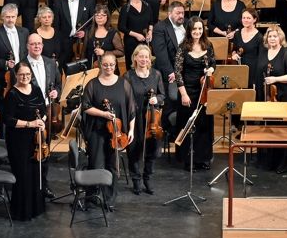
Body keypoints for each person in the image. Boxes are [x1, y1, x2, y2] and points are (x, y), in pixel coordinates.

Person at [83, 52, 136, 203]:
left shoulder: (123, 83)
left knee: (113, 165)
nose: (108, 67)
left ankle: (109, 198)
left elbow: (131, 108)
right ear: (100, 65)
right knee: (96, 164)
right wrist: (103, 114)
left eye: (111, 65)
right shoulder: (93, 84)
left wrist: (131, 130)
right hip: (97, 131)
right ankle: (92, 196)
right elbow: (86, 106)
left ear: (115, 65)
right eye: (105, 65)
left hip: (116, 133)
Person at [3, 62, 47, 220]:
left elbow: (43, 111)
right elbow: (8, 120)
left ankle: (36, 208)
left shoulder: (36, 89)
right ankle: (22, 211)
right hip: (18, 140)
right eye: (22, 74)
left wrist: (42, 120)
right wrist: (30, 124)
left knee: (36, 172)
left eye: (28, 74)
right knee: (23, 174)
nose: (25, 77)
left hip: (35, 139)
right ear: (16, 75)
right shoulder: (12, 94)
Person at [174, 17, 216, 170]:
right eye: (194, 29)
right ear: (189, 31)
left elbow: (213, 63)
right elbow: (178, 73)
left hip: (204, 91)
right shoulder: (183, 47)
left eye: (200, 29)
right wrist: (184, 94)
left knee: (204, 125)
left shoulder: (208, 45)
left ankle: (202, 158)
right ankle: (188, 158)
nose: (197, 32)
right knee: (188, 124)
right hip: (188, 90)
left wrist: (211, 69)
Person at [23, 33, 61, 199]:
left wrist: (56, 92)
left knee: (44, 149)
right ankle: (29, 185)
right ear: (27, 46)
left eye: (39, 44)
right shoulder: (21, 65)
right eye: (33, 44)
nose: (36, 46)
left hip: (48, 110)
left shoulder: (51, 63)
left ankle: (43, 184)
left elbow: (59, 83)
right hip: (29, 114)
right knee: (30, 150)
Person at [125, 45, 166, 195]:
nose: (143, 59)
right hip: (135, 119)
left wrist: (157, 99)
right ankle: (136, 180)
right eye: (140, 56)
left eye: (146, 57)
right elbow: (126, 98)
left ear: (150, 59)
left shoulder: (156, 75)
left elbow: (163, 95)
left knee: (152, 150)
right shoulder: (128, 76)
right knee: (134, 150)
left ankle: (147, 179)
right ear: (135, 58)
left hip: (152, 119)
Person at [259, 26, 287, 172]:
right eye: (270, 36)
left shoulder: (286, 54)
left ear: (280, 38)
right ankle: (270, 161)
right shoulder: (263, 52)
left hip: (283, 95)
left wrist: (275, 79)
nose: (272, 39)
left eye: (275, 36)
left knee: (283, 129)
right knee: (269, 128)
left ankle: (284, 163)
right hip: (268, 96)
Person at [0, 3, 29, 117]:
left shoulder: (24, 32)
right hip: (4, 79)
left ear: (17, 17)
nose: (10, 20)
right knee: (4, 110)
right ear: (2, 17)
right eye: (7, 17)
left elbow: (25, 54)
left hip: (22, 77)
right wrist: (5, 63)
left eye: (13, 17)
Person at [151, 1, 186, 111]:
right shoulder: (160, 27)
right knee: (170, 104)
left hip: (185, 71)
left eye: (182, 13)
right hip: (168, 72)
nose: (181, 16)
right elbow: (160, 53)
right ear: (169, 13)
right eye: (177, 13)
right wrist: (171, 72)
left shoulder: (187, 24)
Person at [51, 0, 93, 64]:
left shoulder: (88, 1)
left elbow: (92, 21)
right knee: (65, 68)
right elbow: (56, 25)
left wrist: (85, 32)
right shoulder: (58, 3)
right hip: (65, 41)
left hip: (82, 43)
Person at [119, 0, 157, 70]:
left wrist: (150, 32)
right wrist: (136, 35)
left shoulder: (147, 6)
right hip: (131, 42)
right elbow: (121, 27)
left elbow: (151, 22)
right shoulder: (126, 8)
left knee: (145, 66)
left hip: (144, 41)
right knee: (132, 66)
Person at [231, 8, 264, 91]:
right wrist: (234, 54)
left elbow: (262, 58)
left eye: (248, 18)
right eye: (244, 18)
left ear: (255, 19)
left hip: (254, 71)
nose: (245, 20)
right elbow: (234, 49)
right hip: (240, 68)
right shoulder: (237, 34)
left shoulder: (259, 37)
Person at [83, 5, 125, 69]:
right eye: (97, 15)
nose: (99, 17)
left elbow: (121, 52)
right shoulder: (89, 30)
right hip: (91, 68)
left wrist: (104, 52)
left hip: (109, 68)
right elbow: (84, 51)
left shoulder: (113, 33)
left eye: (103, 15)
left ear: (107, 17)